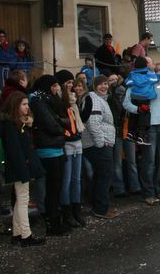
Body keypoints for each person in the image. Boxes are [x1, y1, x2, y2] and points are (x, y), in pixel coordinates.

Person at [122, 58, 160, 206]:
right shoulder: (135, 83)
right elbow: (126, 103)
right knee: (149, 162)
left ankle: (159, 191)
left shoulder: (159, 79)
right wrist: (138, 109)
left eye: (152, 62)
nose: (152, 64)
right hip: (149, 126)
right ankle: (148, 194)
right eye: (149, 62)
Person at [0, 92, 45, 246]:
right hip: (19, 167)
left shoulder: (20, 124)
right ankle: (26, 234)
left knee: (21, 198)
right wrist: (24, 169)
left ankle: (18, 232)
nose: (27, 107)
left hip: (22, 166)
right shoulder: (11, 125)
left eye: (27, 104)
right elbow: (15, 150)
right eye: (24, 104)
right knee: (23, 199)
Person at [30, 76, 70, 236]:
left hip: (56, 147)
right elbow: (53, 124)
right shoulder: (39, 102)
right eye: (53, 86)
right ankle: (51, 220)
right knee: (51, 188)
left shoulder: (50, 102)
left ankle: (55, 218)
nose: (56, 89)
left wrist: (61, 125)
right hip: (47, 149)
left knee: (57, 186)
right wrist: (62, 128)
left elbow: (62, 120)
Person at [79, 76, 119, 219]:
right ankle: (101, 209)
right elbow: (93, 123)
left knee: (100, 175)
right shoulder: (94, 99)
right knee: (104, 175)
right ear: (94, 85)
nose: (104, 87)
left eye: (106, 84)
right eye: (101, 84)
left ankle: (98, 205)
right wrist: (101, 142)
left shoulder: (101, 99)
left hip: (100, 143)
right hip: (97, 145)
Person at [55, 72, 86, 227]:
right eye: (67, 82)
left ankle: (76, 209)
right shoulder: (59, 102)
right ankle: (66, 212)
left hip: (77, 141)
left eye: (71, 82)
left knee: (76, 180)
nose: (70, 85)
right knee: (66, 180)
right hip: (66, 143)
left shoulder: (74, 101)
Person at [108, 74, 140, 197]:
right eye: (111, 80)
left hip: (126, 131)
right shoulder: (110, 99)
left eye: (115, 79)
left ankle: (127, 187)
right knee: (123, 162)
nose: (114, 82)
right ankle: (129, 187)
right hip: (119, 132)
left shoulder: (126, 95)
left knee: (126, 162)